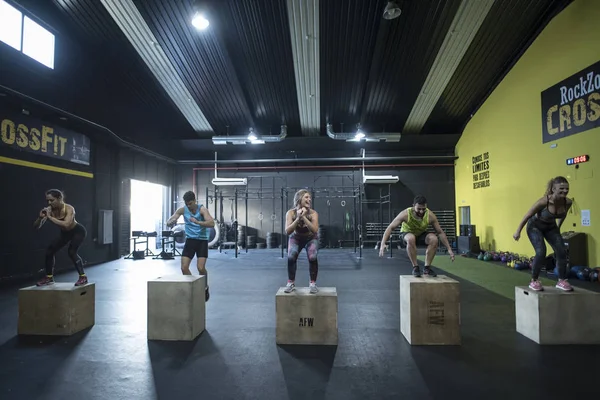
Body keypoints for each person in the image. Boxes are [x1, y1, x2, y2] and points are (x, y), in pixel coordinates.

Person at [513, 176, 573, 292]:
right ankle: (534, 280)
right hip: (535, 227)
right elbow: (527, 215)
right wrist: (518, 231)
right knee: (541, 251)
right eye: (561, 189)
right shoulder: (543, 202)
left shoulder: (568, 202)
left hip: (551, 227)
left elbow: (563, 215)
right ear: (553, 189)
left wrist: (558, 228)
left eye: (567, 188)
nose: (565, 191)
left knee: (561, 250)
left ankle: (561, 280)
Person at [379, 195, 455, 277]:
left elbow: (440, 232)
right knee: (411, 238)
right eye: (419, 209)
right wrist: (383, 243)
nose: (421, 212)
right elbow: (390, 227)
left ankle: (427, 268)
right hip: (406, 233)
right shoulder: (405, 214)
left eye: (423, 209)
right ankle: (415, 267)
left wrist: (449, 249)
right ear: (413, 206)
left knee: (434, 239)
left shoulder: (430, 215)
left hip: (421, 234)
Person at [166, 190, 214, 301]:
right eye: (187, 204)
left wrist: (198, 222)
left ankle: (205, 287)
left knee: (200, 268)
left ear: (195, 200)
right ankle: (194, 287)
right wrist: (170, 222)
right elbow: (171, 219)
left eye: (190, 203)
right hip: (190, 241)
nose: (189, 206)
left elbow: (211, 223)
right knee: (184, 268)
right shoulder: (182, 210)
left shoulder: (202, 209)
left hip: (202, 241)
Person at [34, 189, 88, 286]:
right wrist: (40, 218)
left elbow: (67, 224)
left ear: (59, 198)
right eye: (48, 201)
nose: (49, 203)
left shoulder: (69, 209)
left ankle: (83, 277)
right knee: (50, 251)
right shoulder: (49, 210)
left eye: (52, 200)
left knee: (72, 252)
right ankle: (49, 278)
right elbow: (36, 227)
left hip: (77, 231)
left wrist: (50, 217)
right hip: (65, 233)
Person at [283, 189, 320, 294]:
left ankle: (313, 284)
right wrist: (297, 218)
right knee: (291, 256)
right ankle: (291, 283)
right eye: (306, 197)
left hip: (311, 238)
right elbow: (288, 231)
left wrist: (303, 217)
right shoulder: (290, 213)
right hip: (296, 238)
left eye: (310, 197)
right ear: (299, 199)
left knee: (312, 257)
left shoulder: (313, 214)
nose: (309, 199)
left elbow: (314, 230)